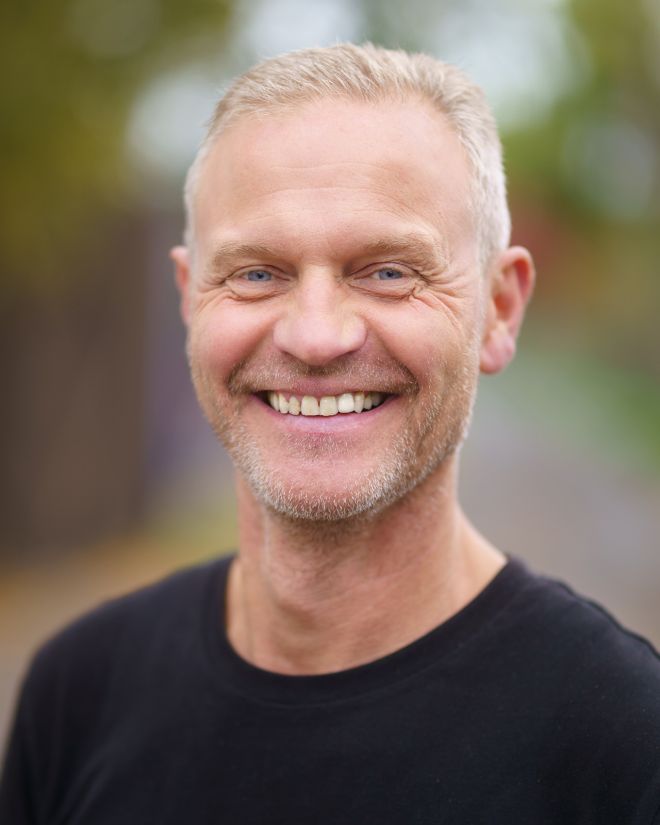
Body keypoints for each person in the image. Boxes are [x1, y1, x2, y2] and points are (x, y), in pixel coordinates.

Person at [2, 43, 660, 824]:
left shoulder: (623, 745)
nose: (316, 337)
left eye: (388, 271)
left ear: (499, 309)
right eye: (256, 273)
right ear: (189, 298)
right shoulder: (77, 692)